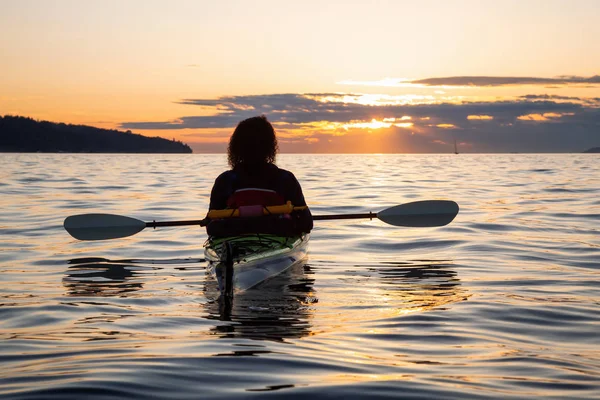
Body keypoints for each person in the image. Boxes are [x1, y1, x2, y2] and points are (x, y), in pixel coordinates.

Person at [206, 115, 313, 237]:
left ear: (236, 147)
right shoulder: (285, 179)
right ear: (270, 146)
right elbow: (306, 223)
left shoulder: (225, 180)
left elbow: (210, 223)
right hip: (277, 233)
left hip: (233, 236)